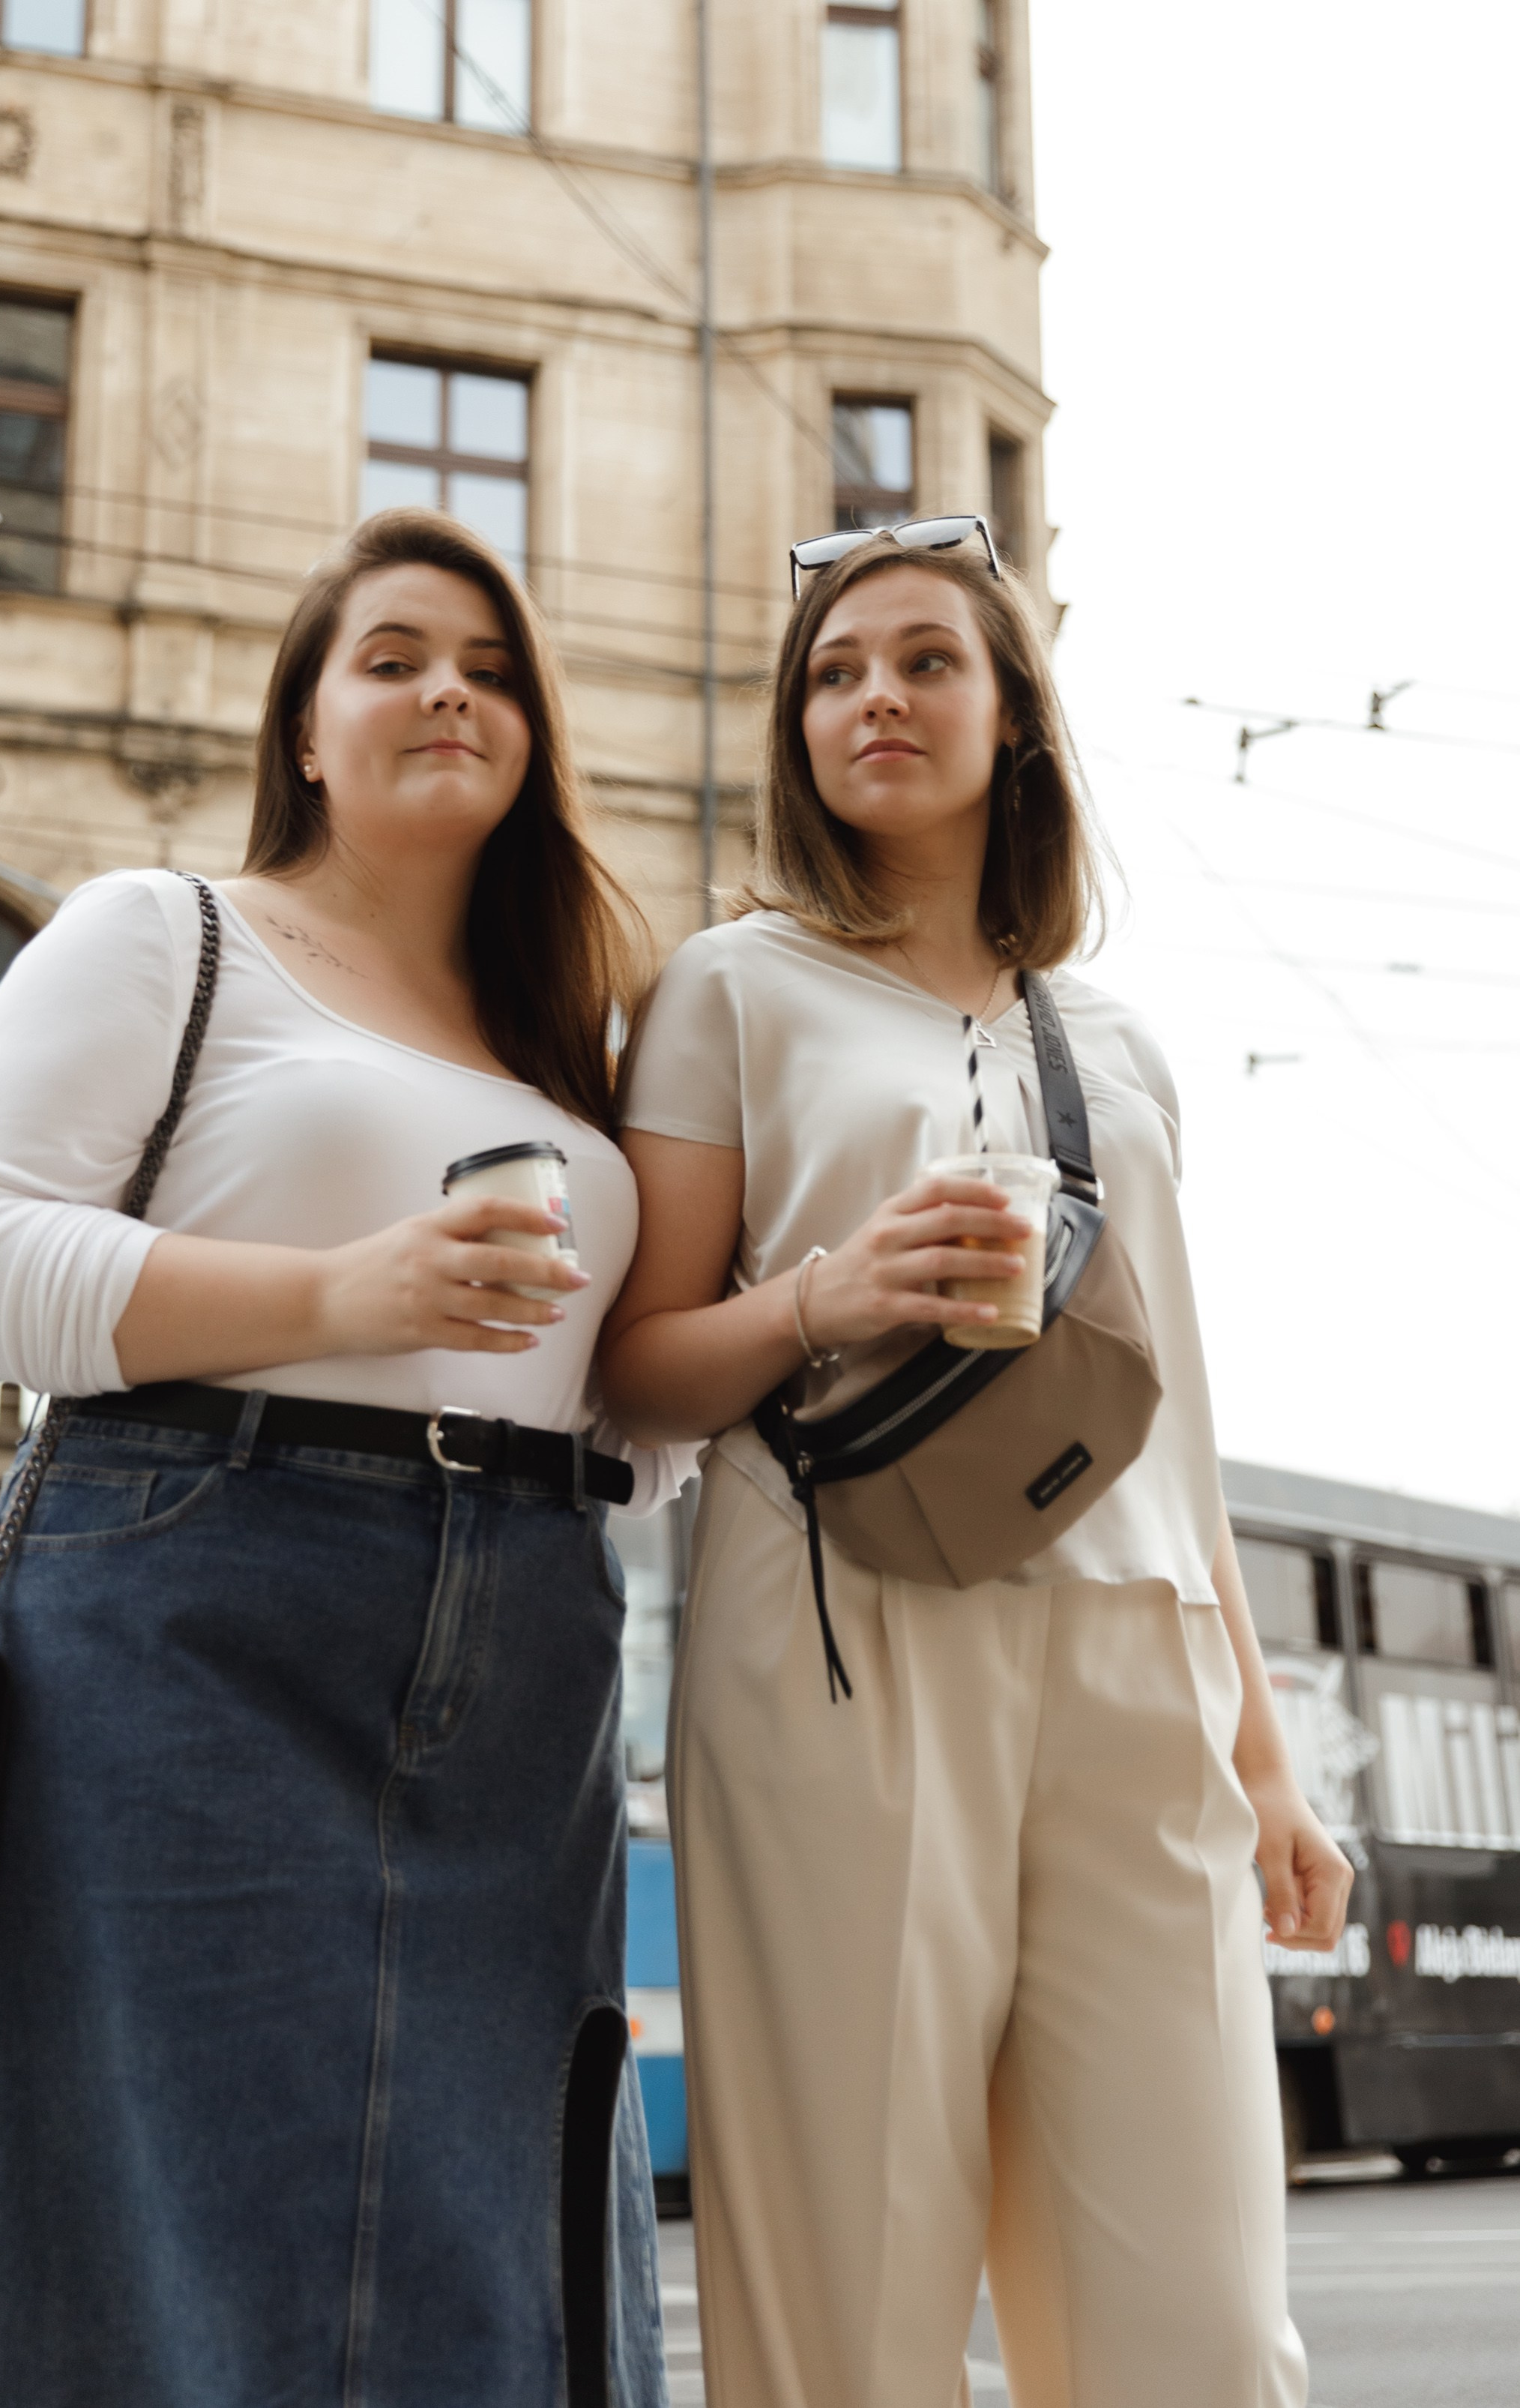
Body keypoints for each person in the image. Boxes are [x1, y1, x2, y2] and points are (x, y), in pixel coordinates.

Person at [0, 508, 672, 2408]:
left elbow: (614, 1392)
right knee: (212, 2229)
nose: (445, 690)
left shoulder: (580, 1040)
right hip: (200, 1593)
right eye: (390, 657)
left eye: (487, 668)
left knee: (511, 2244)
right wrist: (348, 1286)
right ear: (304, 728)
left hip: (531, 1642)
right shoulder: (171, 930)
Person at [598, 524, 1353, 2408]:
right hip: (843, 1638)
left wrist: (1264, 1759)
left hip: (1138, 1662)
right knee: (850, 2285)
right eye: (835, 671)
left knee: (1192, 2307)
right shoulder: (730, 987)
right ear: (797, 729)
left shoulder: (1117, 1042)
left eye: (928, 660)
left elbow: (1164, 1413)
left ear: (1013, 713)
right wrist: (825, 1293)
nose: (877, 697)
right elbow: (631, 1373)